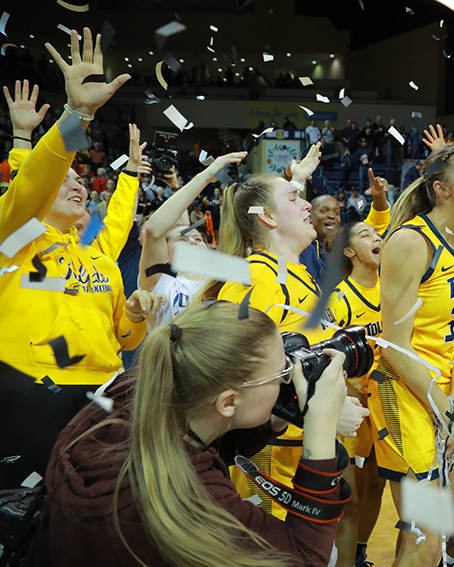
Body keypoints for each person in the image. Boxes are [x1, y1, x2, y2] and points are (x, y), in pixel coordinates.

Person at [28, 302, 350, 567]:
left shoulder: (132, 396)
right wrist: (320, 431)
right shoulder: (194, 499)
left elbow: (208, 432)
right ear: (228, 402)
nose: (287, 378)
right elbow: (305, 558)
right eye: (281, 373)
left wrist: (278, 414)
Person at [0, 31, 162, 488]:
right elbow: (30, 182)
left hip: (107, 395)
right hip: (30, 392)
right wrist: (77, 116)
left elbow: (128, 341)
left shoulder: (99, 259)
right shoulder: (14, 239)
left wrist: (133, 315)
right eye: (65, 176)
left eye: (83, 180)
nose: (79, 184)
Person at [197, 159, 369, 521]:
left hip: (305, 444)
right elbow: (234, 384)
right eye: (295, 198)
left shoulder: (298, 277)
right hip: (270, 454)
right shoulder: (255, 282)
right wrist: (320, 413)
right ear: (269, 218)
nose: (307, 204)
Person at [371, 141, 454, 566]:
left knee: (453, 511)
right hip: (405, 389)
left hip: (449, 391)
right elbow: (392, 347)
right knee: (427, 530)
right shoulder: (410, 241)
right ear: (441, 188)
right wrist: (441, 402)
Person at [326, 222, 387, 567]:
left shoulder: (394, 287)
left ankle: (360, 552)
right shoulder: (340, 300)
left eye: (377, 234)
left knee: (376, 487)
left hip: (388, 404)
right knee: (348, 499)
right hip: (353, 407)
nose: (376, 237)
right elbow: (332, 364)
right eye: (366, 235)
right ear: (348, 252)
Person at [139, 152, 246, 329]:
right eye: (183, 240)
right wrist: (204, 177)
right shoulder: (160, 281)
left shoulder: (221, 279)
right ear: (166, 256)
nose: (192, 242)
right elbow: (155, 230)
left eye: (198, 238)